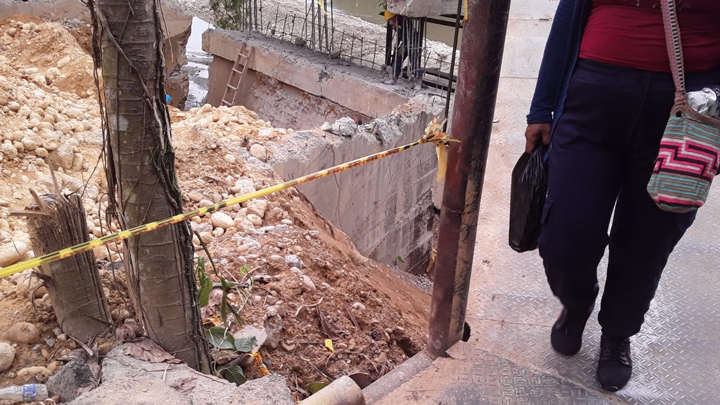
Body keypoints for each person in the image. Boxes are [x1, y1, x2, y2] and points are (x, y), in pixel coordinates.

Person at [524, 0, 720, 392]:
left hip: (686, 115)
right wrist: (542, 108)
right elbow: (567, 19)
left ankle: (618, 332)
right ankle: (576, 304)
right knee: (566, 234)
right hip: (591, 101)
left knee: (646, 242)